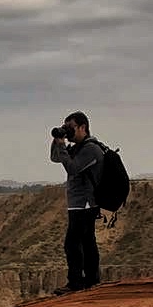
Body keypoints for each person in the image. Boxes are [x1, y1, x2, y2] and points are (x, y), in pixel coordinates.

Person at [49, 110, 104, 294]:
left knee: (72, 243)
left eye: (70, 128)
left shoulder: (91, 149)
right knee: (87, 242)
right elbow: (56, 157)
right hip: (77, 203)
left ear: (83, 127)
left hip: (85, 203)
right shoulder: (78, 148)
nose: (69, 132)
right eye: (66, 128)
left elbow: (72, 168)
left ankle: (76, 283)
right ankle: (91, 281)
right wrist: (58, 139)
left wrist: (63, 145)